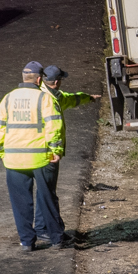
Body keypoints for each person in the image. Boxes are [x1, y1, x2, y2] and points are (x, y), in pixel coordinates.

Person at [0, 61, 65, 251]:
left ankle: (26, 242)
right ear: (39, 79)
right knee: (47, 198)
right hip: (41, 159)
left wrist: (0, 151)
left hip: (14, 160)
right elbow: (53, 127)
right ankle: (56, 240)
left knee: (21, 203)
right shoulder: (44, 99)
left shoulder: (8, 99)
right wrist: (56, 150)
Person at [35, 65, 101, 244]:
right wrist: (56, 151)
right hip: (46, 152)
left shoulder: (50, 95)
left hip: (40, 151)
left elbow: (71, 99)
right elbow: (55, 127)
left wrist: (89, 98)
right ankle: (49, 231)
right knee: (48, 193)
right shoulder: (49, 100)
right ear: (57, 82)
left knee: (45, 191)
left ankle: (41, 228)